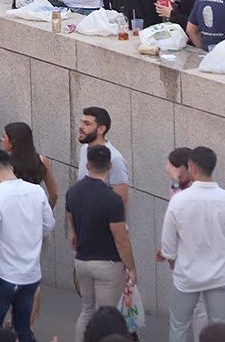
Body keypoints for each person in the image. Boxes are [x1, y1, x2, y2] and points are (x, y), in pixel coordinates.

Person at [160, 146, 225, 341]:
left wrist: (175, 265)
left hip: (186, 276)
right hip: (219, 275)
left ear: (192, 168)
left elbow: (168, 246)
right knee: (220, 327)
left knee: (179, 326)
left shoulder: (178, 201)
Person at [0, 149, 55, 342]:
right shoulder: (36, 190)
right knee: (23, 327)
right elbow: (49, 223)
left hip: (4, 273)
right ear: (11, 167)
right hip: (31, 273)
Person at [66, 143, 136, 342]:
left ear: (87, 165)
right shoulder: (112, 199)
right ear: (110, 167)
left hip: (82, 261)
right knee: (106, 317)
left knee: (86, 310)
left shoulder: (73, 192)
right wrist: (131, 268)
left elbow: (73, 222)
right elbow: (121, 239)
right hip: (108, 264)